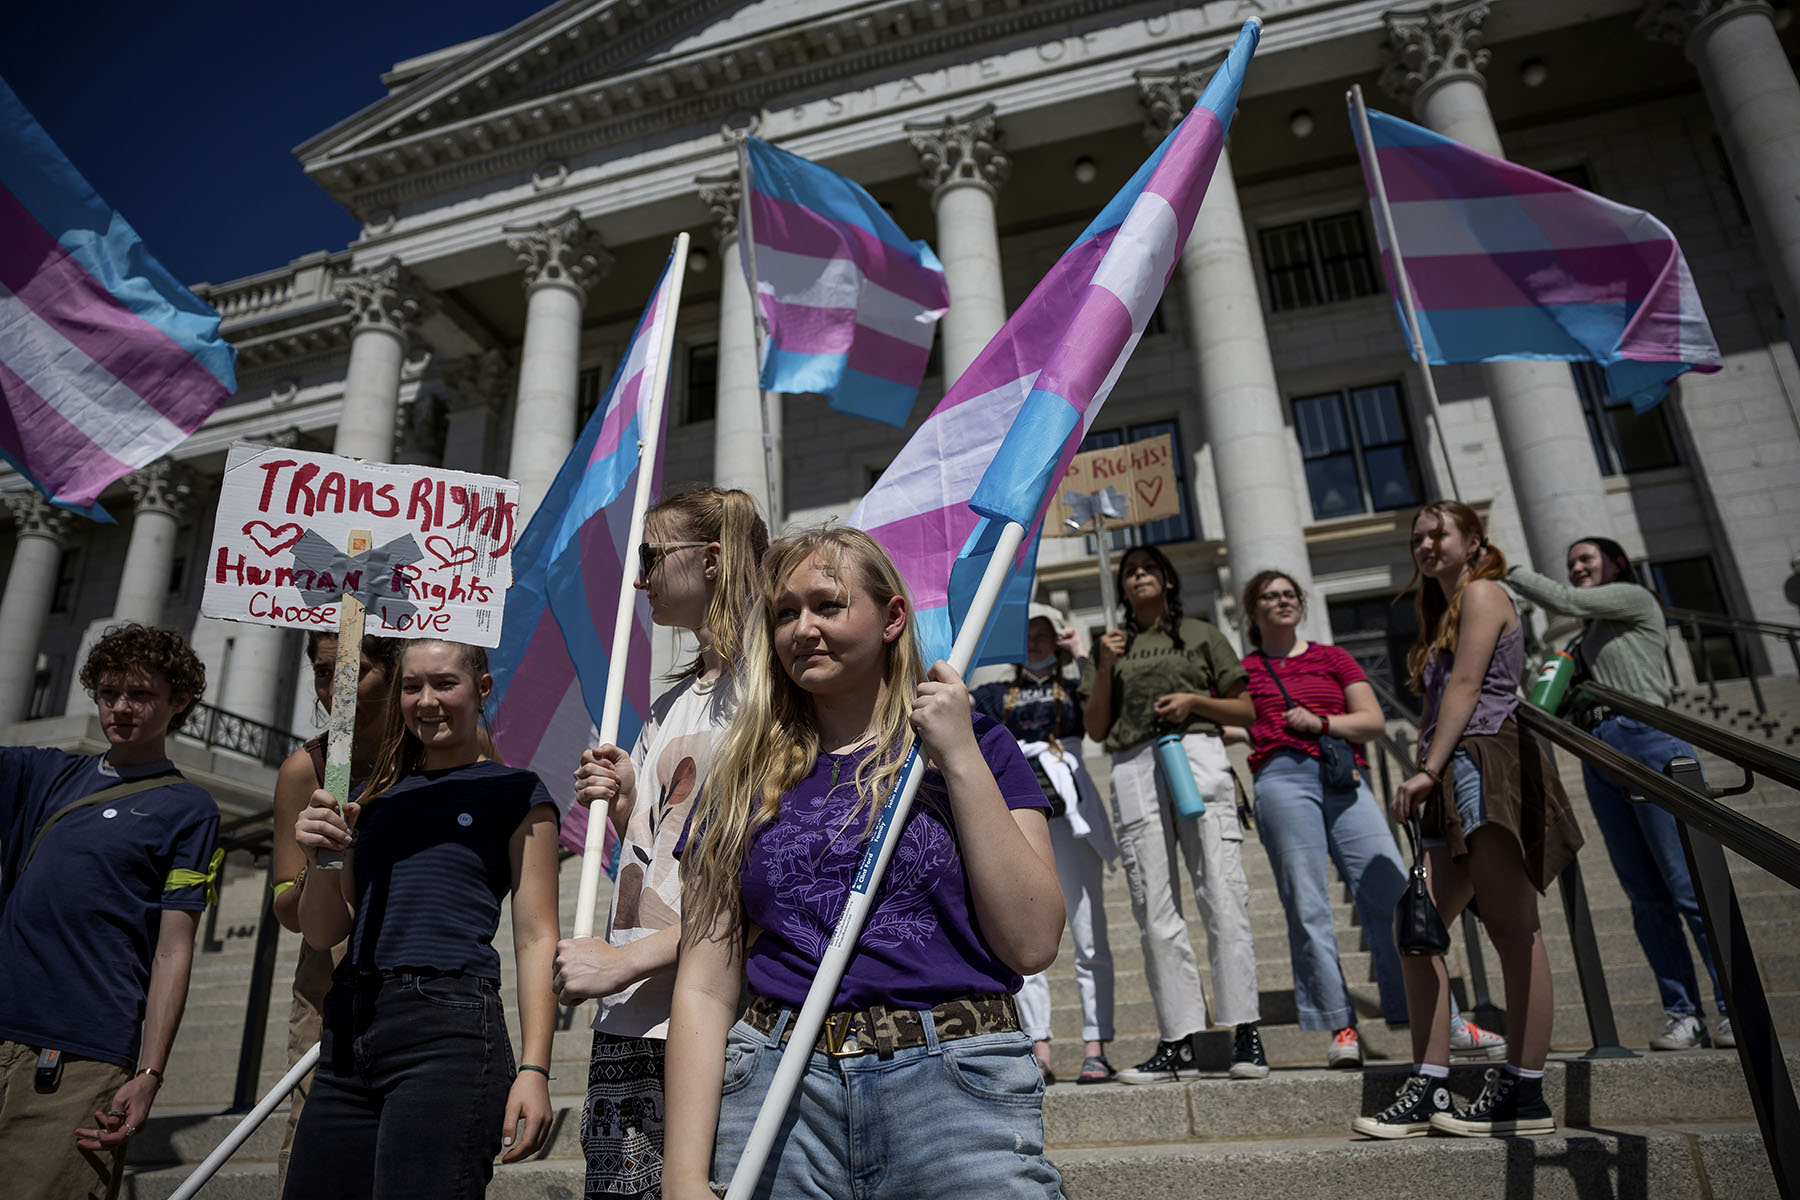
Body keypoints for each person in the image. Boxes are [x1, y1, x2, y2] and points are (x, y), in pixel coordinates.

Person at [663, 527, 1065, 1200]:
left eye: (827, 604)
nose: (802, 628)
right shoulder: (739, 773)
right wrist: (681, 1177)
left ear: (893, 618)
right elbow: (704, 986)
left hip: (957, 1089)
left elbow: (1032, 940)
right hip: (777, 1090)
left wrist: (958, 757)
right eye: (785, 612)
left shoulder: (983, 747)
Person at [552, 487, 768, 1200]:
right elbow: (662, 859)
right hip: (633, 1012)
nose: (638, 578)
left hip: (712, 1013)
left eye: (650, 556)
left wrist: (623, 962)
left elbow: (756, 880)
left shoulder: (768, 692)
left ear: (710, 560)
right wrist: (624, 806)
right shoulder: (673, 702)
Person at [285, 639, 561, 1198]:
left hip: (448, 1028)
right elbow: (324, 930)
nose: (426, 701)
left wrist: (535, 1069)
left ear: (481, 689)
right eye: (412, 687)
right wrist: (320, 860)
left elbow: (535, 937)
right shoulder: (369, 798)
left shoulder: (516, 791)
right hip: (350, 1027)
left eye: (444, 684)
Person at [1353, 501, 1583, 1140]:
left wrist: (1425, 767)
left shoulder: (1484, 592)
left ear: (1473, 540)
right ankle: (1429, 1081)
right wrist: (1434, 774)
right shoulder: (1444, 608)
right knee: (1416, 926)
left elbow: (1466, 688)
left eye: (1438, 534)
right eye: (1416, 538)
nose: (1425, 545)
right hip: (1452, 774)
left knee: (1513, 928)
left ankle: (1524, 1089)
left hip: (1481, 761)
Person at [0, 623, 219, 1200]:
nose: (121, 708)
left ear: (180, 702)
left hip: (81, 1057)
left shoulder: (189, 808)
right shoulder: (47, 774)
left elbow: (174, 946)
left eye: (141, 695)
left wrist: (149, 1073)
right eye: (108, 693)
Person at [1508, 537, 1729, 1051]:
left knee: (1687, 887)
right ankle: (1683, 1012)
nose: (1577, 568)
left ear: (1615, 563)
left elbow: (1567, 601)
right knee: (1645, 897)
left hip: (1648, 737)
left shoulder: (1633, 598)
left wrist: (1510, 571)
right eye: (1571, 563)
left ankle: (1731, 1005)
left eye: (1586, 560)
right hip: (1599, 747)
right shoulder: (1587, 641)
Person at [1081, 544, 1264, 1084]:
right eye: (1130, 572)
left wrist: (1193, 701)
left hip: (1197, 754)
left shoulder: (1203, 634)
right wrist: (1106, 664)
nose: (1139, 577)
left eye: (1148, 570)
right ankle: (1177, 1038)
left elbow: (1246, 709)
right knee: (1153, 909)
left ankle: (1245, 1031)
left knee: (1223, 894)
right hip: (1134, 764)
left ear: (1167, 580)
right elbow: (1094, 727)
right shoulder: (1111, 646)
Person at [1236, 570, 1409, 1068]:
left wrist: (1322, 723)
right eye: (1270, 596)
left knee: (1392, 893)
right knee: (1307, 906)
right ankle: (1342, 1025)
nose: (1282, 601)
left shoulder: (1332, 657)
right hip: (1282, 780)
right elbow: (1236, 721)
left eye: (1290, 595)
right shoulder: (1246, 669)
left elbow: (1372, 721)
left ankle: (1429, 1010)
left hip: (1343, 776)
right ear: (1253, 610)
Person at [268, 631, 399, 1193]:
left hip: (419, 971)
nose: (338, 688)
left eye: (357, 669)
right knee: (313, 1141)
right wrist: (316, 862)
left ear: (394, 672)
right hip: (329, 978)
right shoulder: (306, 768)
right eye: (325, 673)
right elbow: (286, 910)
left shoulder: (446, 749)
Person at [972, 602, 1119, 1085]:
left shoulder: (1076, 687)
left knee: (1088, 930)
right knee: (1024, 931)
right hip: (1018, 817)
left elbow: (1102, 716)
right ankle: (1039, 1044)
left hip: (1072, 817)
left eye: (1045, 633)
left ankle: (1095, 1042)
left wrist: (1084, 658)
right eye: (1027, 633)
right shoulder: (994, 692)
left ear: (1057, 639)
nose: (1036, 641)